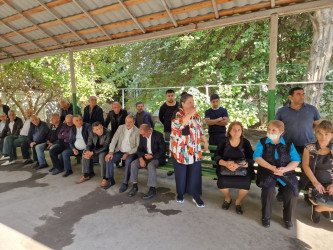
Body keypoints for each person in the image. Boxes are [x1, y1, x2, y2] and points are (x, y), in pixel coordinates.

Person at [253, 120, 301, 229]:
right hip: (267, 172)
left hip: (286, 173)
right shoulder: (262, 142)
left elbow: (296, 160)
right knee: (268, 189)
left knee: (291, 191)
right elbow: (257, 157)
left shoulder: (289, 144)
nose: (270, 132)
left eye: (273, 130)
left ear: (281, 132)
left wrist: (285, 169)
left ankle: (288, 218)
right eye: (269, 129)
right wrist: (271, 167)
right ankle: (266, 216)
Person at [170, 93, 208, 208]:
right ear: (183, 104)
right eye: (189, 102)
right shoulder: (177, 115)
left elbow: (200, 129)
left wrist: (205, 141)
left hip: (195, 150)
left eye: (193, 101)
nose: (193, 104)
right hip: (180, 151)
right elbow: (179, 124)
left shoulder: (196, 115)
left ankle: (196, 195)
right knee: (181, 174)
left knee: (195, 173)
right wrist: (190, 113)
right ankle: (180, 193)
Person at [214, 121, 254, 214]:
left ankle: (238, 201)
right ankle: (228, 198)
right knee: (222, 181)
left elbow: (251, 159)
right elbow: (216, 156)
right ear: (229, 131)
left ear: (242, 131)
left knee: (245, 183)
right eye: (234, 129)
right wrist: (226, 163)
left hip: (242, 169)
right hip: (225, 168)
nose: (236, 132)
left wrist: (238, 165)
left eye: (239, 130)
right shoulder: (224, 142)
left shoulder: (245, 142)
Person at [301, 120, 333, 224]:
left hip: (330, 181)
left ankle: (318, 209)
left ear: (332, 135)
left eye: (326, 134)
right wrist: (316, 183)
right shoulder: (309, 147)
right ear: (316, 133)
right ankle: (323, 207)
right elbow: (305, 166)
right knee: (317, 195)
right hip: (313, 181)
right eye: (320, 133)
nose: (323, 137)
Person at [275, 87, 320, 154]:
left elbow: (318, 125)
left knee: (307, 164)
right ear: (290, 97)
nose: (302, 97)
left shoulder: (312, 109)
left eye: (303, 94)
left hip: (309, 145)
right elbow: (276, 127)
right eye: (298, 94)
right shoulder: (282, 111)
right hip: (287, 145)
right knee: (288, 164)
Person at [128, 124, 166, 199]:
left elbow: (162, 151)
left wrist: (152, 156)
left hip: (157, 158)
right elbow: (139, 150)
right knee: (133, 164)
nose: (142, 136)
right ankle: (134, 186)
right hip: (146, 157)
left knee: (151, 165)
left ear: (149, 131)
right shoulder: (142, 136)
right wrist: (141, 159)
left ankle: (152, 189)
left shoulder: (158, 135)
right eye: (141, 134)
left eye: (143, 134)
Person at [104, 115, 140, 191]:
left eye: (130, 122)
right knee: (109, 159)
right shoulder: (121, 128)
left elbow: (137, 146)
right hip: (120, 151)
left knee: (128, 161)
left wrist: (128, 153)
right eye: (127, 121)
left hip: (131, 153)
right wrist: (110, 152)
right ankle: (111, 180)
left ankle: (125, 183)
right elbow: (114, 140)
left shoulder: (137, 131)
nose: (128, 123)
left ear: (134, 122)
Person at [76, 122, 111, 186]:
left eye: (100, 128)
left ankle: (105, 178)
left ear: (102, 127)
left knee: (102, 156)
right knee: (85, 153)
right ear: (93, 130)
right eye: (97, 129)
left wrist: (93, 152)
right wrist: (88, 150)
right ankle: (86, 175)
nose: (100, 130)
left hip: (104, 150)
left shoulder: (108, 132)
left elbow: (106, 147)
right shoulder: (91, 133)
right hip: (95, 150)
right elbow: (89, 144)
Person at [205, 94, 229, 167]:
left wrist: (213, 122)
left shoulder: (223, 110)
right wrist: (219, 119)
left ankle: (222, 169)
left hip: (222, 135)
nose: (215, 103)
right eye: (213, 102)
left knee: (222, 152)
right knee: (213, 153)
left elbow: (225, 122)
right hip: (212, 135)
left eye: (216, 101)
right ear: (210, 102)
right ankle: (215, 169)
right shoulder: (208, 111)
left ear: (219, 101)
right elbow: (208, 122)